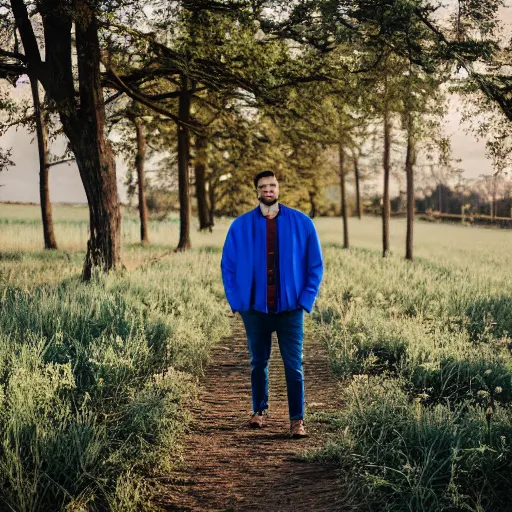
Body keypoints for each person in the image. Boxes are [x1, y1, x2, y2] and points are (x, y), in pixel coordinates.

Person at [221, 170, 324, 438]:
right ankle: (258, 410)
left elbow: (315, 266)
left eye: (273, 185)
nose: (268, 189)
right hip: (254, 309)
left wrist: (305, 300)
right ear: (256, 191)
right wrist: (238, 302)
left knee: (294, 366)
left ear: (278, 188)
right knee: (258, 362)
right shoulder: (240, 226)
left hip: (290, 310)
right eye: (263, 186)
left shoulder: (302, 223)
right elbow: (228, 266)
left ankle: (297, 420)